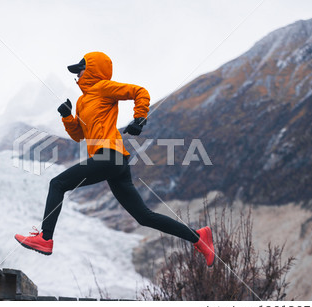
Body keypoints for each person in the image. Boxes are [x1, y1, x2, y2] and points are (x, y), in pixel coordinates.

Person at [15, 52, 215, 266]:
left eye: (80, 70)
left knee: (58, 184)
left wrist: (140, 117)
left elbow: (140, 92)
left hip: (110, 156)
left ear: (91, 70)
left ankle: (45, 239)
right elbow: (79, 135)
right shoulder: (83, 101)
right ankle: (199, 237)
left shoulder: (103, 88)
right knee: (144, 217)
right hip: (114, 162)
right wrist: (67, 117)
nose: (77, 75)